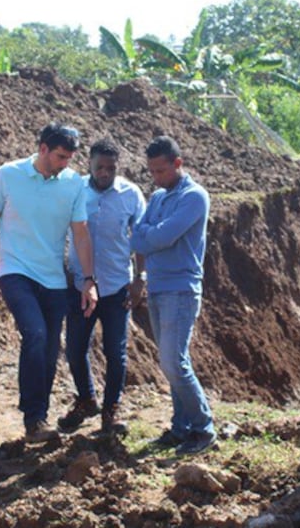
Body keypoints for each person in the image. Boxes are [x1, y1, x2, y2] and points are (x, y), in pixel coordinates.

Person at [0, 122, 98, 443]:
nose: (65, 164)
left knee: (49, 348)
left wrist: (89, 279)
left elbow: (81, 232)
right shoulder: (8, 174)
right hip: (15, 271)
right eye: (60, 156)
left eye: (70, 158)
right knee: (34, 333)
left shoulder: (73, 183)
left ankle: (39, 419)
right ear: (43, 148)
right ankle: (33, 418)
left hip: (53, 278)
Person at [130, 136, 216, 456]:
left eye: (161, 171)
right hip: (158, 286)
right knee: (171, 363)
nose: (156, 177)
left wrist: (148, 236)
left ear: (178, 164)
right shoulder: (157, 197)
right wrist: (149, 237)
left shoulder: (195, 197)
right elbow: (138, 238)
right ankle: (181, 428)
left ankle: (203, 428)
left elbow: (161, 236)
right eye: (152, 171)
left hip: (181, 289)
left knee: (173, 362)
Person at [58, 139, 147, 435]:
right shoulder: (74, 189)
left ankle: (111, 411)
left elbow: (141, 239)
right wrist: (65, 270)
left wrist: (139, 280)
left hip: (116, 286)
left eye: (111, 167)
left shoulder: (131, 194)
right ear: (90, 164)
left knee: (115, 352)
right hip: (80, 286)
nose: (105, 172)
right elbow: (57, 229)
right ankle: (86, 400)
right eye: (100, 167)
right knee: (75, 349)